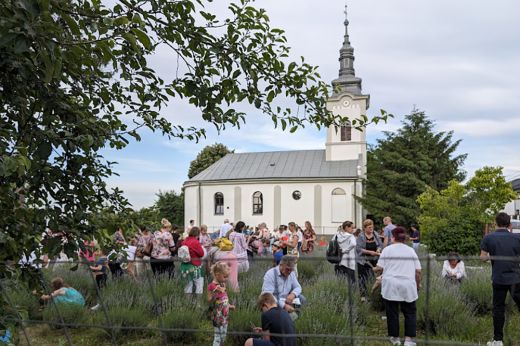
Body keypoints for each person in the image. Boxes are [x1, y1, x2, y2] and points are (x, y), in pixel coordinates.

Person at [375, 226, 421, 346]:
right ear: (404, 238)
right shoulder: (411, 250)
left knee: (392, 312)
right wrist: (418, 283)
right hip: (408, 284)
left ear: (393, 237)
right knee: (410, 312)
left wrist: (376, 269)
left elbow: (380, 267)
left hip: (391, 284)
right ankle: (408, 340)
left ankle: (395, 338)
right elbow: (418, 271)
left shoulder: (387, 250)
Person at [480, 212, 520, 346]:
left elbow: (483, 257)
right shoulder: (517, 238)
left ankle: (498, 340)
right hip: (516, 278)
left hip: (498, 279)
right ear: (509, 224)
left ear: (495, 223)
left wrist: (494, 256)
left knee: (498, 309)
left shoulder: (488, 238)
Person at [208, 262, 235, 346]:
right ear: (217, 274)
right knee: (217, 337)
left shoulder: (223, 284)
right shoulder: (211, 286)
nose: (226, 279)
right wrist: (215, 291)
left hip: (225, 316)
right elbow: (209, 301)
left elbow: (224, 299)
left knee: (223, 336)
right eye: (225, 276)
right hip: (217, 316)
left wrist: (229, 306)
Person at [356, 219, 382, 299]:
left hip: (374, 261)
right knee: (363, 278)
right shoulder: (361, 236)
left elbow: (380, 245)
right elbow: (359, 249)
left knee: (373, 278)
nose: (371, 229)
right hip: (363, 261)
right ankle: (363, 296)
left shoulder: (375, 234)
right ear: (365, 228)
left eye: (372, 227)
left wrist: (378, 249)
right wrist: (370, 252)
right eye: (369, 227)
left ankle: (373, 295)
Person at [180, 226, 205, 296]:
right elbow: (201, 254)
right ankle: (198, 304)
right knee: (199, 285)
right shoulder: (196, 242)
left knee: (188, 286)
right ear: (197, 234)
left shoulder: (184, 241)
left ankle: (188, 304)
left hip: (184, 266)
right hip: (195, 266)